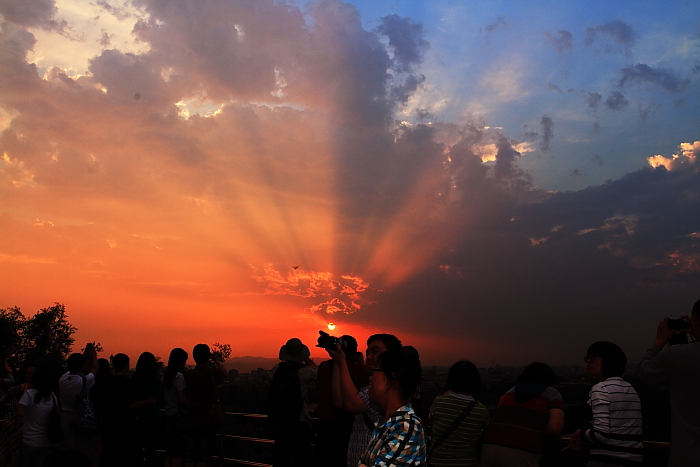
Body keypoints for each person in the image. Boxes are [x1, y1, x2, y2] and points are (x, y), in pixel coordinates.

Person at [635, 299, 700, 466]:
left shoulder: (678, 355)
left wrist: (660, 340)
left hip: (688, 456)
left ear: (696, 322)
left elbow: (643, 372)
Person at [328, 334, 403, 467]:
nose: (369, 357)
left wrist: (342, 362)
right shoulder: (372, 386)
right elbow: (340, 402)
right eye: (367, 352)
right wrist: (337, 362)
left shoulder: (388, 387)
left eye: (375, 352)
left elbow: (352, 404)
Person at [569, 342, 642, 466]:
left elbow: (601, 434)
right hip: (634, 459)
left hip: (607, 460)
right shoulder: (630, 388)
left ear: (608, 360)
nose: (587, 361)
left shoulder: (600, 389)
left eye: (592, 357)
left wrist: (578, 434)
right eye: (587, 358)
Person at [481, 362, 564, 467]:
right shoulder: (552, 393)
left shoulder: (508, 393)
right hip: (521, 451)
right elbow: (554, 429)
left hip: (488, 449)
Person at [358, 348, 426, 467]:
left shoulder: (406, 427)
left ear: (392, 377)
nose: (370, 378)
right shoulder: (386, 423)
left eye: (374, 372)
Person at [314, 335, 369, 467]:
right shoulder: (360, 370)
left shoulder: (323, 367)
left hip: (325, 425)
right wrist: (360, 363)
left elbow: (320, 387)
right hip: (348, 424)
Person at [428, 360, 490, 467]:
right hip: (467, 463)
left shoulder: (439, 402)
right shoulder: (481, 410)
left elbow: (432, 424)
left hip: (437, 462)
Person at [270, 338, 318, 467]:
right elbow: (319, 376)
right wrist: (310, 362)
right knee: (302, 458)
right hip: (300, 420)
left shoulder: (276, 370)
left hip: (281, 420)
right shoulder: (306, 371)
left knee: (281, 457)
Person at [184, 344, 227, 467]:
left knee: (190, 457)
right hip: (207, 421)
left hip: (191, 419)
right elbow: (224, 373)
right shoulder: (212, 374)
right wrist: (217, 361)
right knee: (204, 457)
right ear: (208, 356)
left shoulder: (188, 375)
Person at [58, 346, 98, 465]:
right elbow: (95, 369)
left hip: (65, 416)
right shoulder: (83, 382)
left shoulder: (63, 379)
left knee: (63, 450)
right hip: (79, 417)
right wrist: (94, 355)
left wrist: (83, 355)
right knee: (79, 452)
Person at [99, 353, 139, 467]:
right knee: (123, 458)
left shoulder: (106, 382)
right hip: (124, 426)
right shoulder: (128, 383)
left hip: (108, 425)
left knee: (108, 456)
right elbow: (130, 405)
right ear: (126, 365)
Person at [16, 362, 58, 467]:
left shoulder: (29, 394)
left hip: (29, 440)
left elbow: (19, 412)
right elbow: (58, 413)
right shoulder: (52, 396)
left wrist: (18, 431)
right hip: (46, 441)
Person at [132, 352, 165, 467]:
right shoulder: (155, 380)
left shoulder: (134, 379)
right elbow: (161, 396)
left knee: (136, 453)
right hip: (153, 420)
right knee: (151, 453)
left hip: (137, 419)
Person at [0, 364, 33, 467]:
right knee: (15, 450)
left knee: (3, 448)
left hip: (7, 420)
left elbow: (2, 401)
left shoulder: (16, 388)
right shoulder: (28, 389)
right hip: (19, 422)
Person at [163, 348, 189, 467]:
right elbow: (182, 399)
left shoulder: (166, 375)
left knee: (169, 451)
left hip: (168, 415)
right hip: (178, 417)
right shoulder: (179, 376)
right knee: (178, 452)